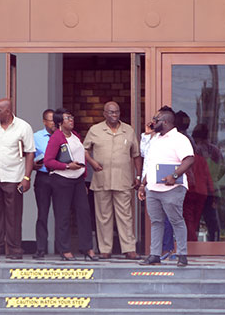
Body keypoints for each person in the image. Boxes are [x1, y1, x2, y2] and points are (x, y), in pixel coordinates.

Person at [83, 101, 141, 259]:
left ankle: (129, 249)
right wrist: (92, 162)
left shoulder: (128, 130)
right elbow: (84, 149)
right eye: (110, 112)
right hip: (101, 179)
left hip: (123, 180)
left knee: (125, 215)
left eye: (116, 112)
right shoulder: (95, 130)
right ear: (104, 114)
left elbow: (136, 155)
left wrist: (138, 176)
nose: (114, 115)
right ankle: (105, 249)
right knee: (103, 216)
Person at [138, 106, 195, 267]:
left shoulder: (179, 139)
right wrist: (143, 184)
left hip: (173, 188)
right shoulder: (155, 139)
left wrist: (175, 175)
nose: (152, 122)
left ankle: (182, 255)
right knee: (156, 222)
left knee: (176, 220)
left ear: (165, 122)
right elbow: (150, 163)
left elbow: (189, 159)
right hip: (153, 188)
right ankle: (154, 254)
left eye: (156, 120)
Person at [43, 108, 99, 261]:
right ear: (60, 122)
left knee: (84, 213)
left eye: (72, 117)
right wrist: (67, 166)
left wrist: (84, 177)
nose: (71, 120)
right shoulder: (56, 138)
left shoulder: (75, 136)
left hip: (78, 180)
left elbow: (82, 156)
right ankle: (65, 249)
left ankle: (87, 248)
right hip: (62, 180)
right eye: (67, 118)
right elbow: (48, 162)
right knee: (63, 215)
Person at [0, 98, 35, 260]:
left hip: (14, 178)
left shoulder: (23, 127)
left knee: (13, 215)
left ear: (8, 111)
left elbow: (30, 153)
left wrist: (26, 177)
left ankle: (14, 249)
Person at [31, 109, 56, 259]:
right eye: (51, 120)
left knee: (61, 213)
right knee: (42, 214)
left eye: (55, 120)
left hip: (60, 177)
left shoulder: (62, 136)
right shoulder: (35, 137)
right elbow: (29, 159)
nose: (54, 123)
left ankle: (63, 248)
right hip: (43, 177)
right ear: (44, 121)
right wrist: (34, 165)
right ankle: (40, 248)